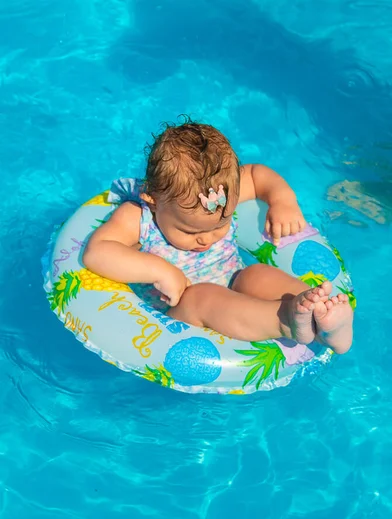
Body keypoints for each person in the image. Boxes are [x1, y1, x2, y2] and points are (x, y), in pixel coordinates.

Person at [84, 120, 353, 353]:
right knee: (200, 297)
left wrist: (282, 200)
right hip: (180, 311)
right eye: (190, 230)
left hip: (231, 279)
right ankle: (285, 321)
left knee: (255, 274)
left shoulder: (222, 192)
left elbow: (258, 175)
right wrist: (160, 271)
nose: (207, 239)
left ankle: (322, 318)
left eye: (220, 224)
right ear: (153, 202)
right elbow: (98, 252)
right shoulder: (138, 217)